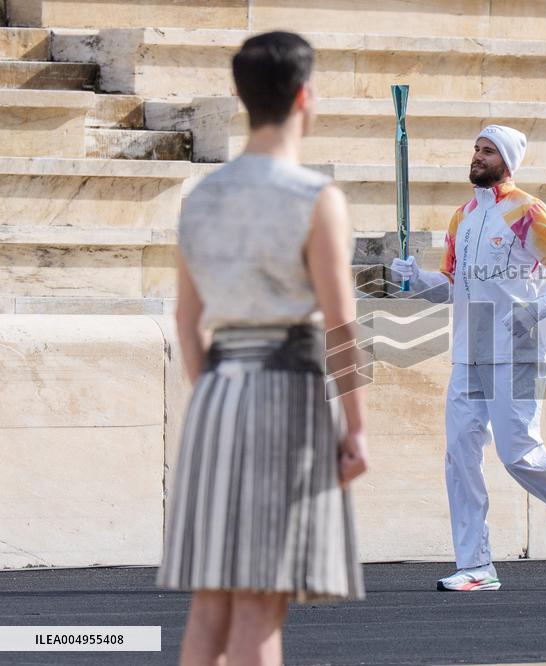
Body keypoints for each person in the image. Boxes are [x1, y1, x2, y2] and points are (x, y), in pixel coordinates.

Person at [157, 32, 368, 665]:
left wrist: (221, 396)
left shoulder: (200, 199)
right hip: (288, 395)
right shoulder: (316, 199)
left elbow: (188, 320)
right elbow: (341, 325)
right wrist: (357, 427)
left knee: (211, 598)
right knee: (258, 601)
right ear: (304, 96)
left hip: (218, 396)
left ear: (242, 97)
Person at [392, 124, 546, 591]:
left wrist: (537, 311)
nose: (477, 156)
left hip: (518, 350)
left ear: (506, 161)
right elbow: (453, 288)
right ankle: (475, 564)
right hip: (470, 350)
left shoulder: (527, 211)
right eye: (475, 148)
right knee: (461, 455)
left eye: (487, 151)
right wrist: (415, 280)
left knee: (519, 455)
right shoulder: (463, 217)